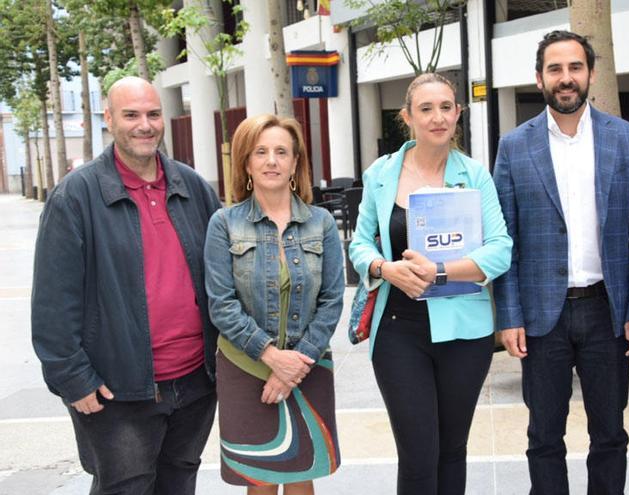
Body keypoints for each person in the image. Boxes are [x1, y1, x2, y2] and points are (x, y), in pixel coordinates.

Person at [31, 76, 222, 494]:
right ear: (109, 119)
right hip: (117, 390)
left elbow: (223, 274)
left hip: (194, 381)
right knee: (126, 487)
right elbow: (52, 302)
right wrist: (72, 378)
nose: (145, 125)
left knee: (179, 483)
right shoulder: (75, 198)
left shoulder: (192, 187)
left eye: (153, 114)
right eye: (131, 114)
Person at [492, 30, 629, 494]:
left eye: (575, 68)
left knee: (609, 434)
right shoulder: (513, 147)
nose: (565, 78)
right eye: (555, 69)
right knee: (543, 436)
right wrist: (508, 316)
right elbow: (504, 240)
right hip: (542, 317)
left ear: (590, 74)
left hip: (607, 311)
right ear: (539, 77)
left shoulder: (628, 141)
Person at [348, 72, 512, 495]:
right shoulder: (381, 174)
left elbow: (500, 249)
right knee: (419, 454)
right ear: (407, 117)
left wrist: (439, 272)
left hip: (465, 331)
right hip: (398, 332)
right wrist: (386, 269)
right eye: (426, 109)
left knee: (452, 450)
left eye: (446, 107)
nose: (437, 117)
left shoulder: (475, 175)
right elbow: (360, 243)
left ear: (458, 114)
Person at [204, 114, 345, 494]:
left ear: (296, 162)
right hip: (244, 366)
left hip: (308, 363)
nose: (272, 161)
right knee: (261, 479)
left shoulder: (321, 223)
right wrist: (272, 358)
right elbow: (222, 304)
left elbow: (332, 300)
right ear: (246, 163)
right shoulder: (224, 224)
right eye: (261, 152)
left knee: (301, 475)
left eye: (282, 152)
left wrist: (295, 365)